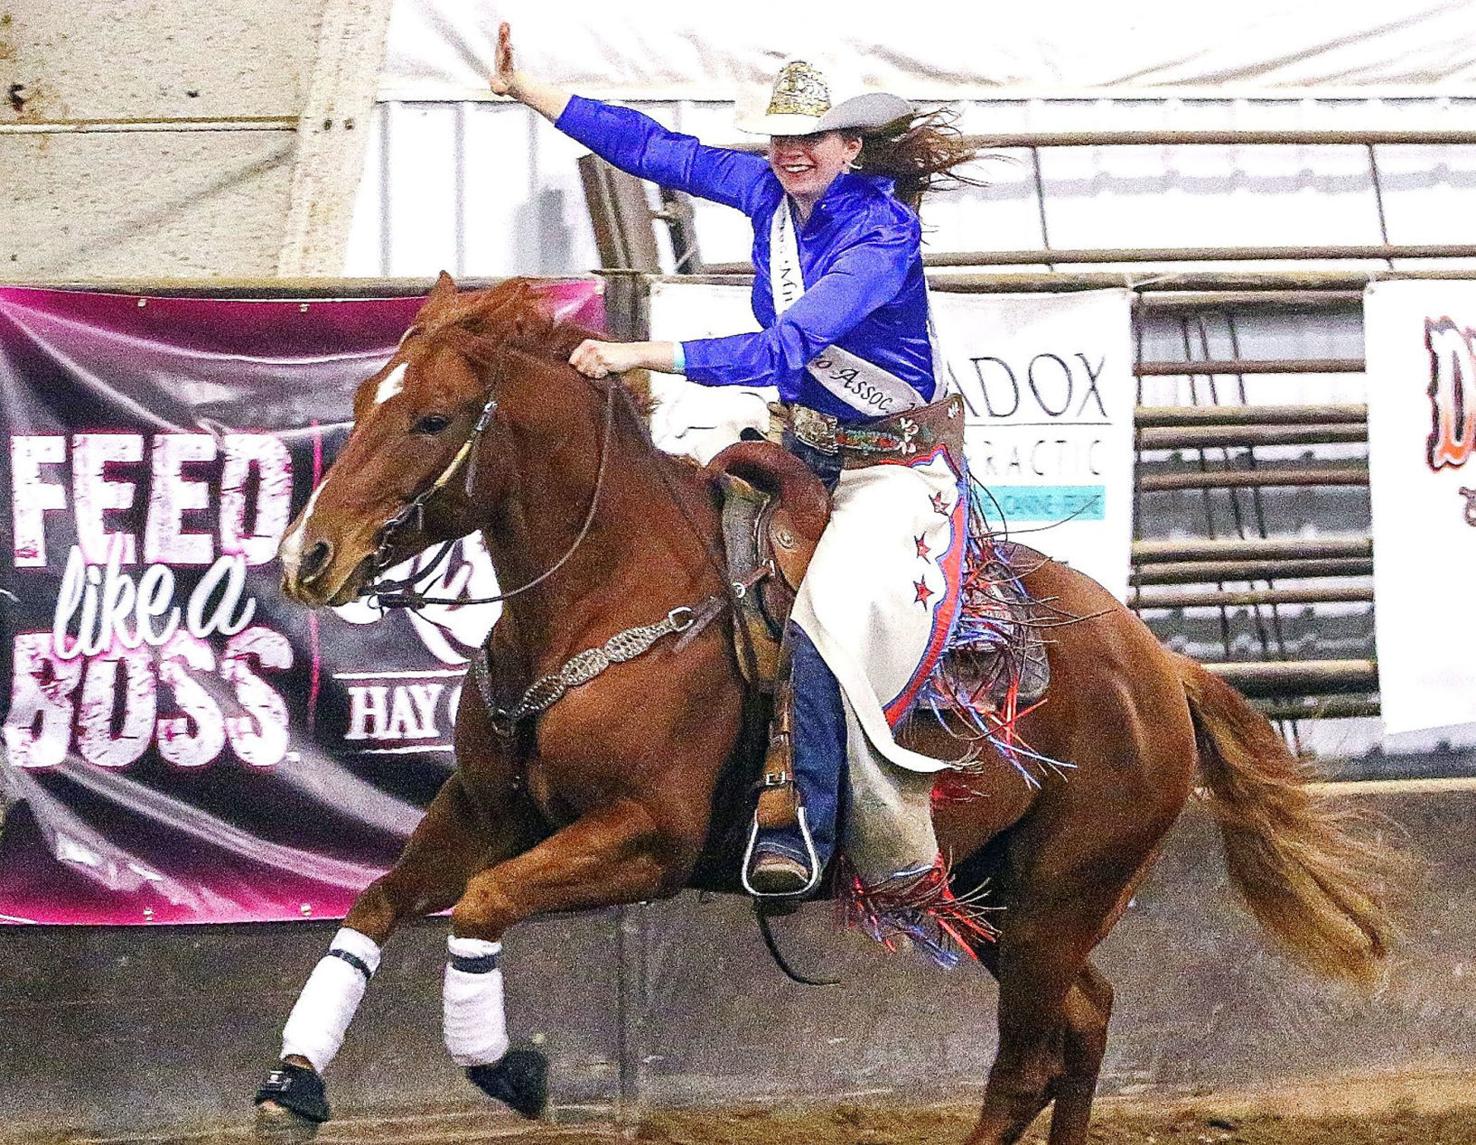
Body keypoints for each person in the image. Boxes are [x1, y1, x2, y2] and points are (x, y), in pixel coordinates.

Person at [492, 24, 979, 898]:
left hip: (893, 472)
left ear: (850, 146)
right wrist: (536, 91)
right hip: (804, 448)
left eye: (811, 138)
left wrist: (643, 354)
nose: (791, 152)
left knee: (825, 616)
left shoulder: (881, 238)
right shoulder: (766, 193)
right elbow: (654, 149)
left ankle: (810, 824)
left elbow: (791, 345)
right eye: (782, 137)